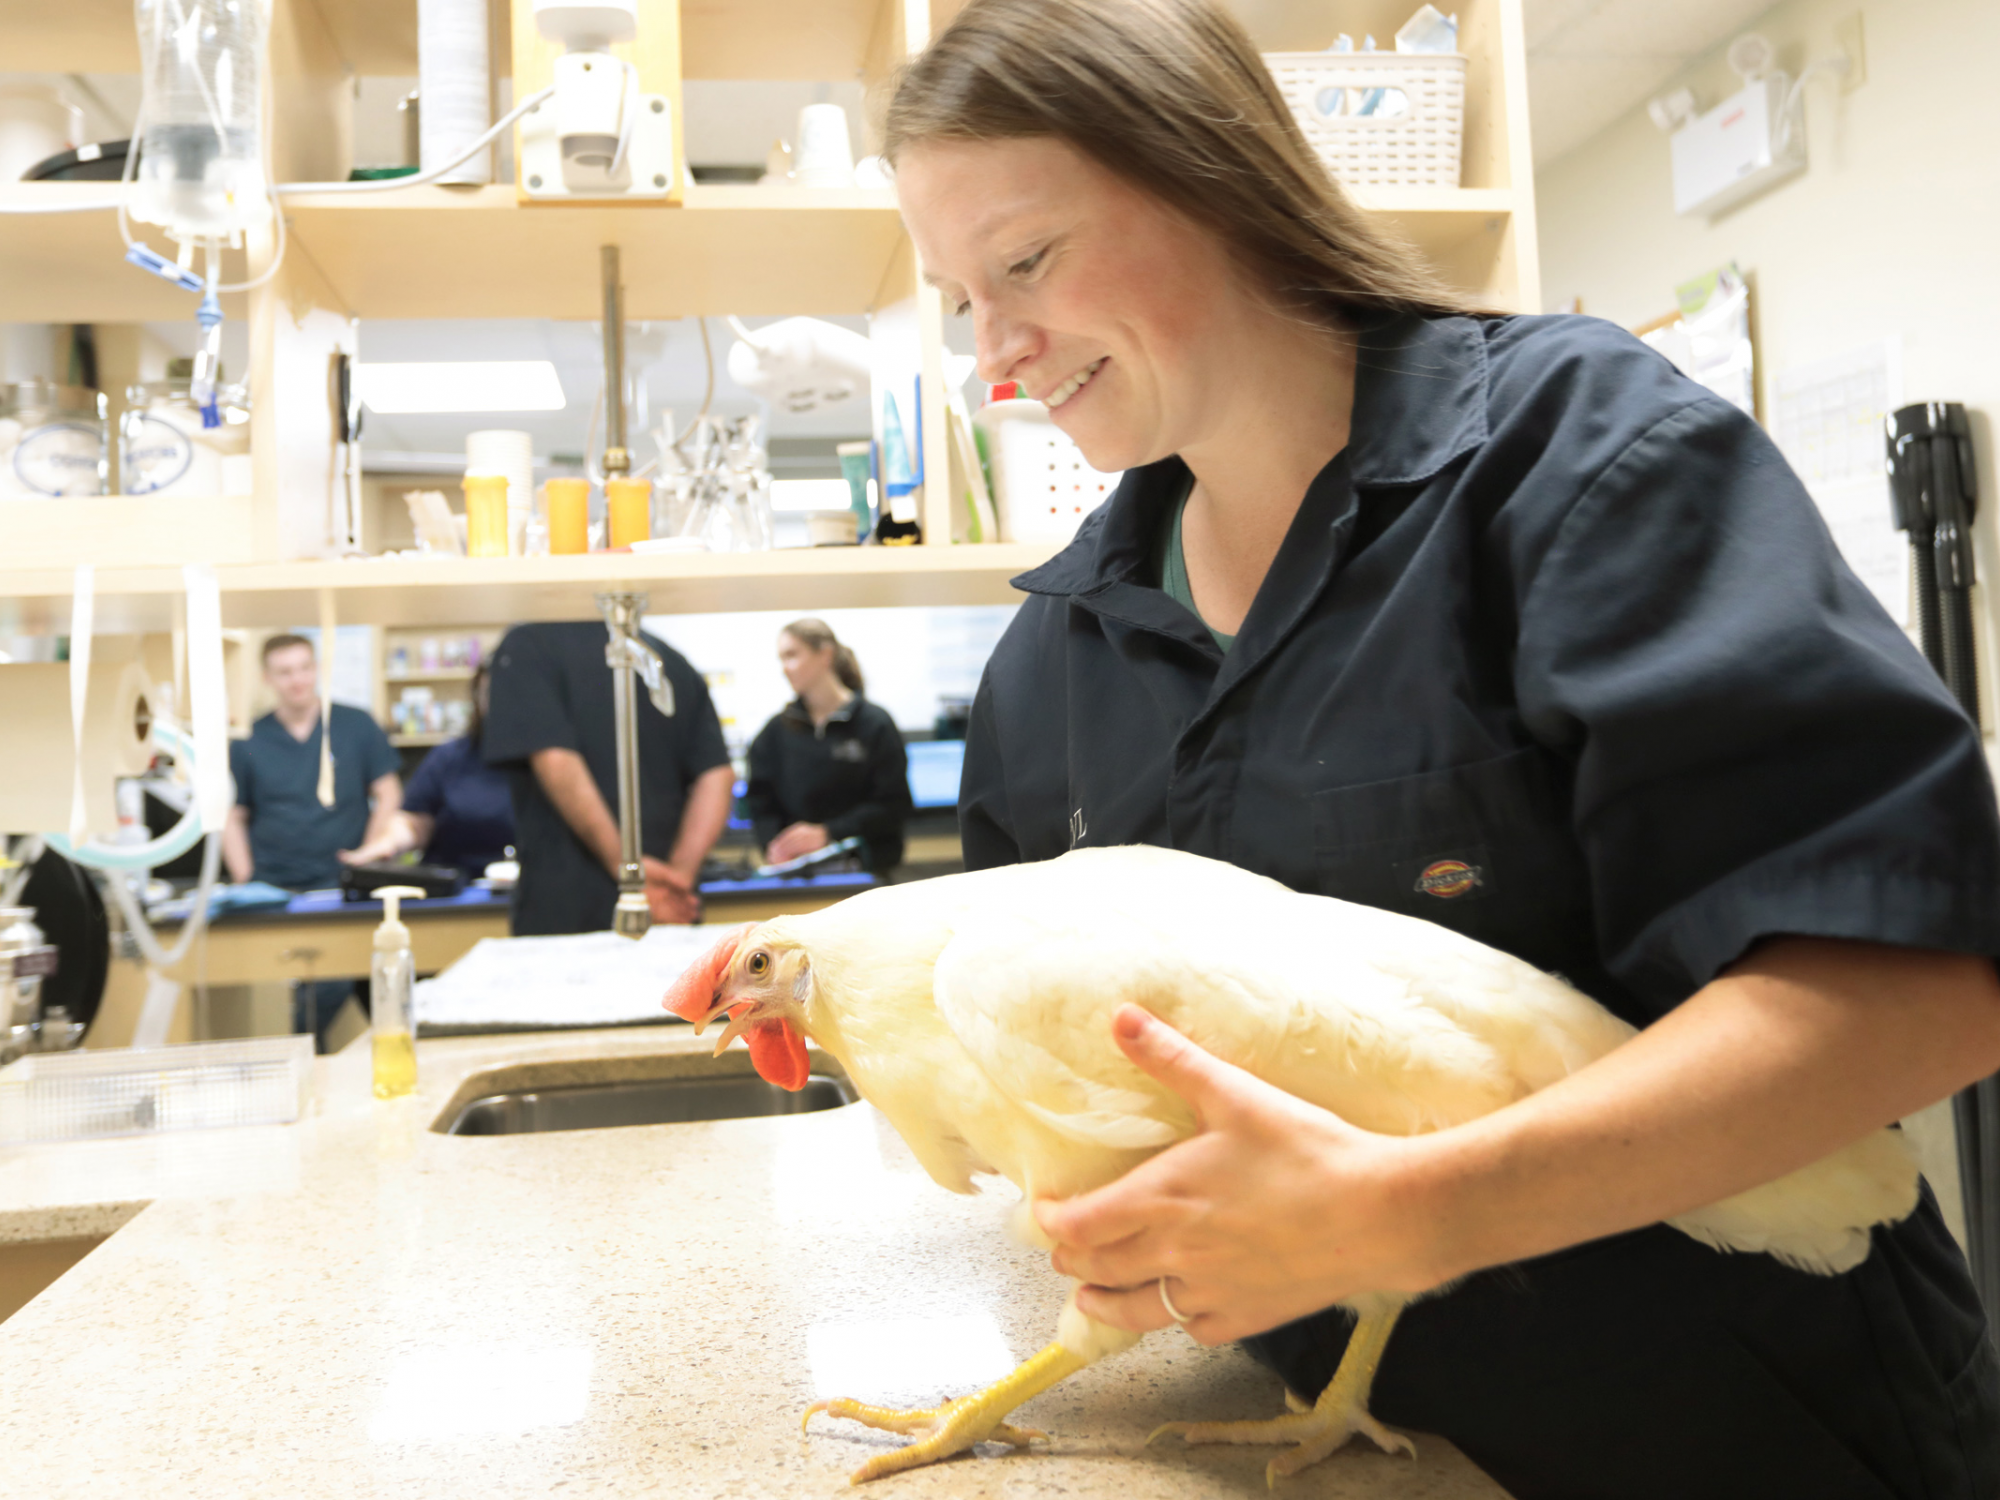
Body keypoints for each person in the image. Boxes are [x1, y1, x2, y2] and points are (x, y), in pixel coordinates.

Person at [889, 2, 2000, 1496]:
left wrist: (1412, 1211)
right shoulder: (1056, 660)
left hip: (1756, 1427)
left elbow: (1919, 994)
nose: (995, 351)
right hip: (1352, 1457)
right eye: (960, 299)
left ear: (1218, 176)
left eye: (1023, 262)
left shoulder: (1576, 461)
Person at [482, 620, 734, 936]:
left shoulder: (527, 645)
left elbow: (555, 758)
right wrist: (677, 880)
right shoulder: (664, 659)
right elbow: (717, 775)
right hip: (671, 909)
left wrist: (630, 874)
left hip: (569, 912)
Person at [223, 632, 401, 1048]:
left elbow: (389, 793)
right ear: (268, 678)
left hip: (343, 885)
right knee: (291, 1005)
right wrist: (245, 877)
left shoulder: (355, 725)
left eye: (305, 668)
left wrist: (367, 857)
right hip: (275, 890)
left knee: (340, 990)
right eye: (285, 672)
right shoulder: (250, 739)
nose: (297, 680)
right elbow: (233, 815)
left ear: (318, 669)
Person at [743, 618, 911, 875]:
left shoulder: (874, 724)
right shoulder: (775, 733)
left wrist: (828, 833)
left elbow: (893, 805)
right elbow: (760, 803)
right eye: (781, 659)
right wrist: (776, 846)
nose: (785, 668)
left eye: (792, 655)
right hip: (797, 878)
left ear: (825, 655)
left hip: (865, 876)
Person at [340, 663, 515, 880]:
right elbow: (413, 822)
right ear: (478, 697)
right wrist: (388, 842)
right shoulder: (450, 757)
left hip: (533, 889)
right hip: (456, 890)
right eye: (489, 693)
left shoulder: (551, 761)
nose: (500, 702)